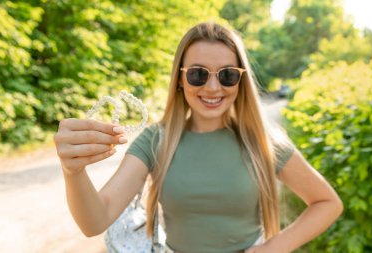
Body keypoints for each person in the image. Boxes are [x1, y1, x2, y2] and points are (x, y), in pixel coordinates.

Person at [54, 22, 343, 253]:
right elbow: (96, 220)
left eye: (228, 75)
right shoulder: (156, 141)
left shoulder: (262, 141)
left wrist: (275, 247)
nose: (213, 87)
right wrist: (73, 170)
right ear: (180, 78)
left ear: (240, 80)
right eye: (198, 74)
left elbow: (327, 202)